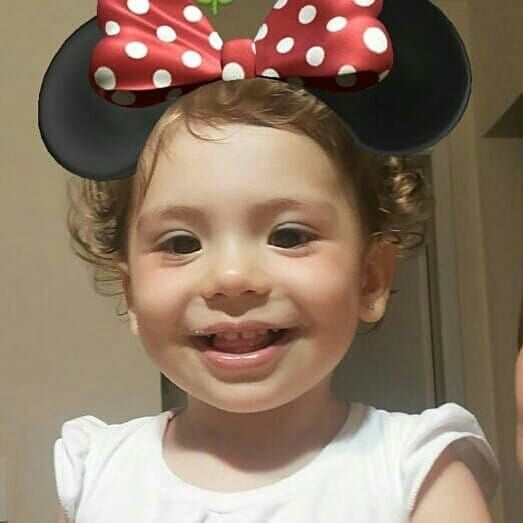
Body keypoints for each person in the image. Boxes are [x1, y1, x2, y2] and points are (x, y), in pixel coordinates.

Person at [38, 1, 500, 521]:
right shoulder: (95, 474)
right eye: (181, 244)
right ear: (131, 295)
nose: (232, 278)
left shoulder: (416, 473)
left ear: (371, 279)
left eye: (289, 235)